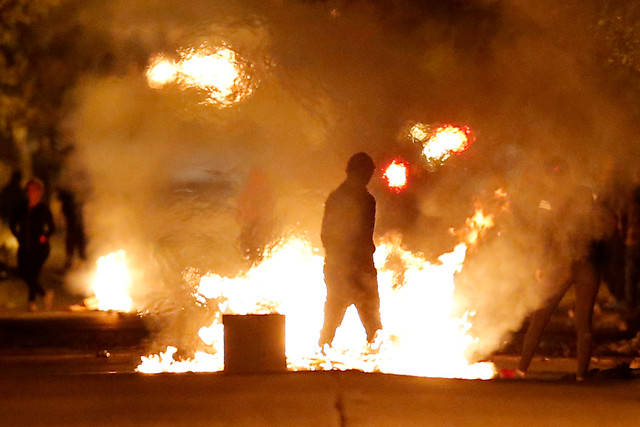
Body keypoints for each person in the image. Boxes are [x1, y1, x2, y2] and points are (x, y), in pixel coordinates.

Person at [517, 161, 601, 381]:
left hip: (560, 265)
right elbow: (599, 228)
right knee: (584, 321)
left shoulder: (548, 199)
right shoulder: (586, 195)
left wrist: (541, 264)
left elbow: (544, 232)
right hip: (586, 264)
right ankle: (581, 375)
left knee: (541, 316)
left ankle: (521, 369)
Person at [318, 152, 382, 349]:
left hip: (345, 267)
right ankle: (376, 361)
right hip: (353, 268)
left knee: (336, 318)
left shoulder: (338, 198)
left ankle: (323, 352)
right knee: (368, 320)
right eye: (366, 172)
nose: (368, 177)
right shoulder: (363, 200)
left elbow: (326, 235)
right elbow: (332, 235)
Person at [10, 178, 55, 311]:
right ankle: (44, 294)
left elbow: (51, 227)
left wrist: (44, 236)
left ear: (40, 192)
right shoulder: (21, 207)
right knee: (23, 272)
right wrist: (18, 236)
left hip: (40, 248)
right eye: (29, 189)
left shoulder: (43, 209)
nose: (31, 192)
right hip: (24, 246)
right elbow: (13, 223)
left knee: (33, 273)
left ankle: (31, 302)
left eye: (34, 189)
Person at [57, 189, 87, 269]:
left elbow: (74, 218)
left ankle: (73, 264)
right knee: (78, 249)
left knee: (73, 249)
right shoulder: (74, 204)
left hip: (74, 230)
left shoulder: (67, 205)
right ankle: (78, 264)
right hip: (76, 229)